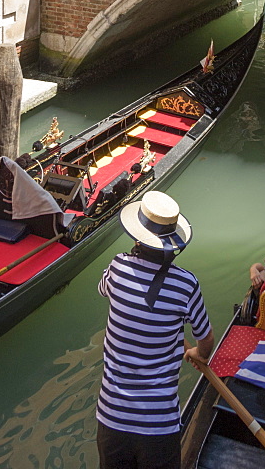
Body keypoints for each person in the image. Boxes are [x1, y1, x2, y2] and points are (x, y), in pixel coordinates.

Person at [96, 190, 213, 469]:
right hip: (158, 425)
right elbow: (206, 341)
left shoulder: (117, 267)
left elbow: (105, 290)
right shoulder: (186, 285)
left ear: (138, 236)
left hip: (111, 419)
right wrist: (196, 352)